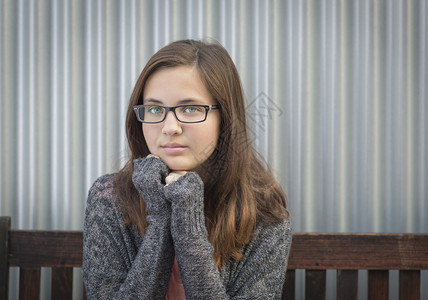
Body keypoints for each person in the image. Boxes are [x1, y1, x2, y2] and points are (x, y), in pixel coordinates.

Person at [82, 39, 291, 299]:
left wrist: (188, 224)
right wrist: (160, 216)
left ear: (225, 118)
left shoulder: (263, 210)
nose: (170, 127)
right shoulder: (110, 197)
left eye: (191, 108)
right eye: (156, 109)